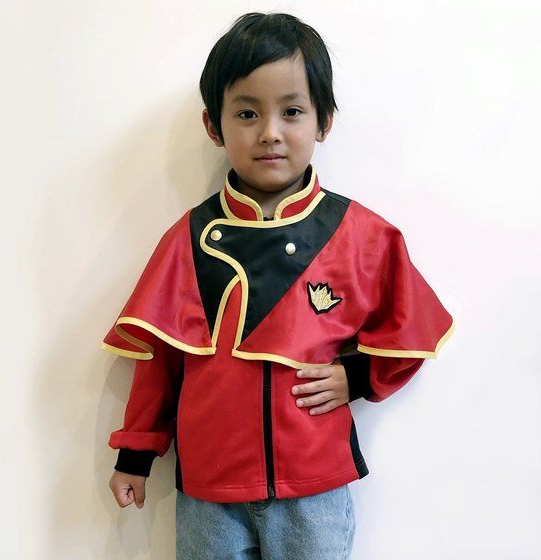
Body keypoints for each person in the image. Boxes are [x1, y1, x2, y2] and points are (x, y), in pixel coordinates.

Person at [104, 11, 455, 559]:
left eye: (291, 111)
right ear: (214, 126)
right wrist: (135, 455)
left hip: (314, 487)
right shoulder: (189, 239)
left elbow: (411, 330)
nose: (270, 132)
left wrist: (357, 376)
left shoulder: (360, 234)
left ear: (323, 121)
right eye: (247, 113)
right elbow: (159, 360)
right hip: (208, 490)